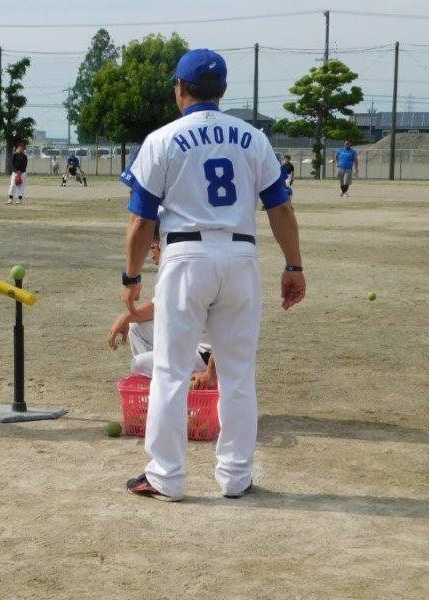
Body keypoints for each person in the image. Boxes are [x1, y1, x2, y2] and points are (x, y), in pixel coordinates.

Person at [120, 48, 305, 502]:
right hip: (241, 255)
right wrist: (294, 265)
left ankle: (166, 476)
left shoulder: (162, 139)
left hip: (186, 256)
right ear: (221, 91)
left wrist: (131, 277)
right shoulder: (254, 138)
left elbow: (142, 220)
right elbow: (281, 209)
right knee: (238, 373)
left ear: (180, 88)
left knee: (170, 370)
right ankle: (236, 476)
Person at [108, 222, 217, 389]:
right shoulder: (176, 268)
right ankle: (160, 385)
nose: (152, 246)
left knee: (138, 364)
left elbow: (228, 330)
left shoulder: (195, 271)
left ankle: (178, 386)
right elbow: (157, 307)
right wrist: (127, 317)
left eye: (157, 240)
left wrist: (211, 372)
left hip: (208, 357)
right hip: (190, 344)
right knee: (137, 328)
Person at [7, 140, 29, 204]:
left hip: (23, 173)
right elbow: (12, 164)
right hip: (15, 172)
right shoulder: (14, 155)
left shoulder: (24, 156)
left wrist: (20, 172)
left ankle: (19, 199)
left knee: (21, 185)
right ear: (18, 147)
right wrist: (16, 171)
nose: (22, 149)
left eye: (23, 148)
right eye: (21, 148)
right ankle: (10, 199)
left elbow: (25, 165)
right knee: (13, 185)